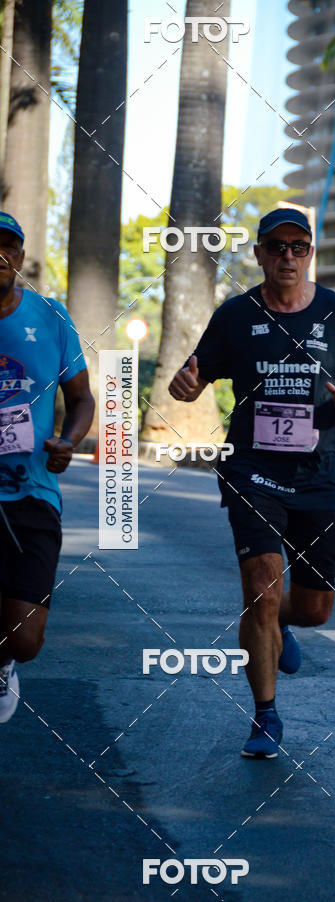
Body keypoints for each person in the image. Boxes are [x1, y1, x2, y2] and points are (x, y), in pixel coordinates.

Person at [169, 207, 335, 758]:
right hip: (252, 472)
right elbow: (192, 381)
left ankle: (274, 620)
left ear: (309, 253)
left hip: (320, 472)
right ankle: (265, 716)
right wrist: (185, 384)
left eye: (299, 246)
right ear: (259, 254)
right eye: (277, 246)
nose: (288, 255)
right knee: (261, 590)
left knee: (313, 609)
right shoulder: (236, 316)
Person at [0, 212, 94, 723]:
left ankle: (4, 662)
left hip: (32, 493)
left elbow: (81, 399)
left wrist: (69, 441)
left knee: (25, 638)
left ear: (19, 256)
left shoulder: (50, 318)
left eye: (6, 245)